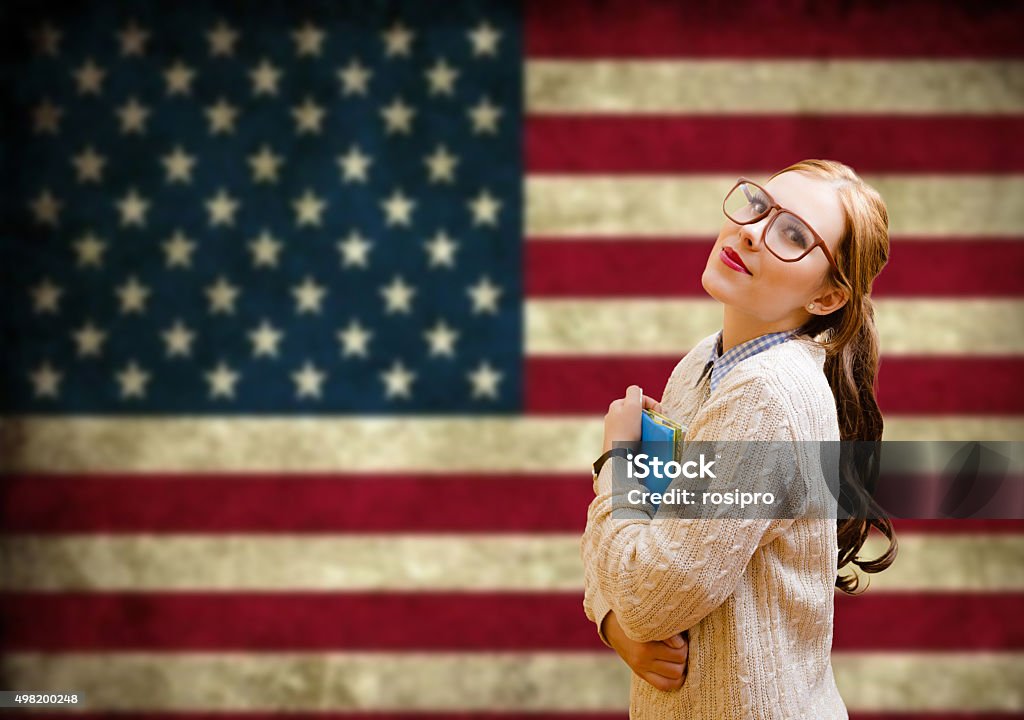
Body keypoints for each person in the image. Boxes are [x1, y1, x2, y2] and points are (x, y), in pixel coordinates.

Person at [581, 159, 899, 718]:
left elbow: (651, 597)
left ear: (826, 299)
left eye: (794, 235)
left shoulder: (767, 399)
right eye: (760, 207)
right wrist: (612, 617)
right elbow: (640, 551)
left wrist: (617, 462)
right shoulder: (702, 364)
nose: (752, 232)